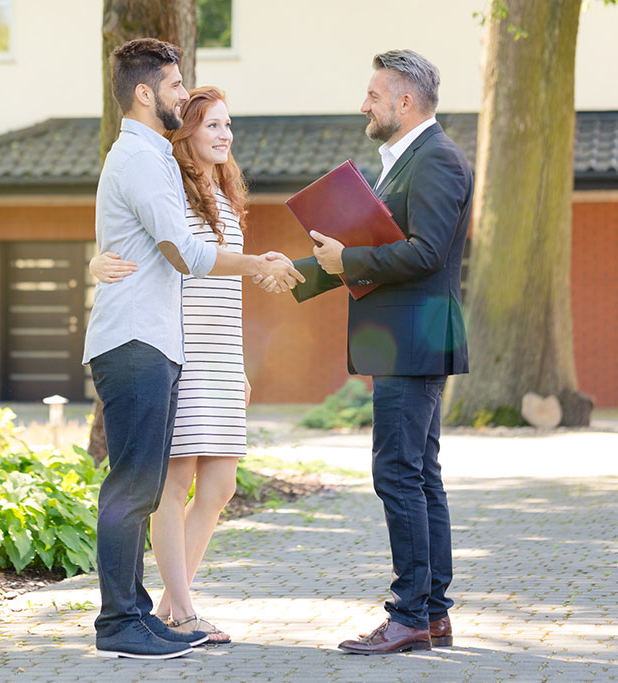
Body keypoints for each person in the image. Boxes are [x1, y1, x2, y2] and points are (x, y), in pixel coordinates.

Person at [84, 38, 303, 660]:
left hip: (157, 341)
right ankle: (119, 622)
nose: (185, 93)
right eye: (178, 86)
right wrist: (258, 263)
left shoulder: (148, 157)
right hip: (137, 340)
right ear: (147, 92)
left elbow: (147, 241)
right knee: (134, 486)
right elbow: (185, 250)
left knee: (146, 485)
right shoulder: (141, 160)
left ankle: (139, 614)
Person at [258, 49, 473, 654]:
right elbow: (366, 245)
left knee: (400, 475)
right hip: (410, 338)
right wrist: (298, 270)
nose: (364, 105)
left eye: (374, 95)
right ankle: (430, 615)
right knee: (419, 476)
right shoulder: (407, 160)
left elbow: (424, 252)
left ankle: (410, 615)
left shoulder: (435, 160)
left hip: (414, 338)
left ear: (405, 102)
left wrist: (345, 260)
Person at [90, 86, 256, 645]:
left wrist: (239, 366)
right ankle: (182, 608)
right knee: (175, 481)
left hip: (221, 352)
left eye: (227, 125)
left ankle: (168, 602)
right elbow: (153, 251)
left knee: (222, 483)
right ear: (185, 132)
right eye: (211, 125)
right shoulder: (169, 186)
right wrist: (96, 259)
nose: (223, 135)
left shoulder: (228, 194)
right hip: (178, 342)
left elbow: (228, 289)